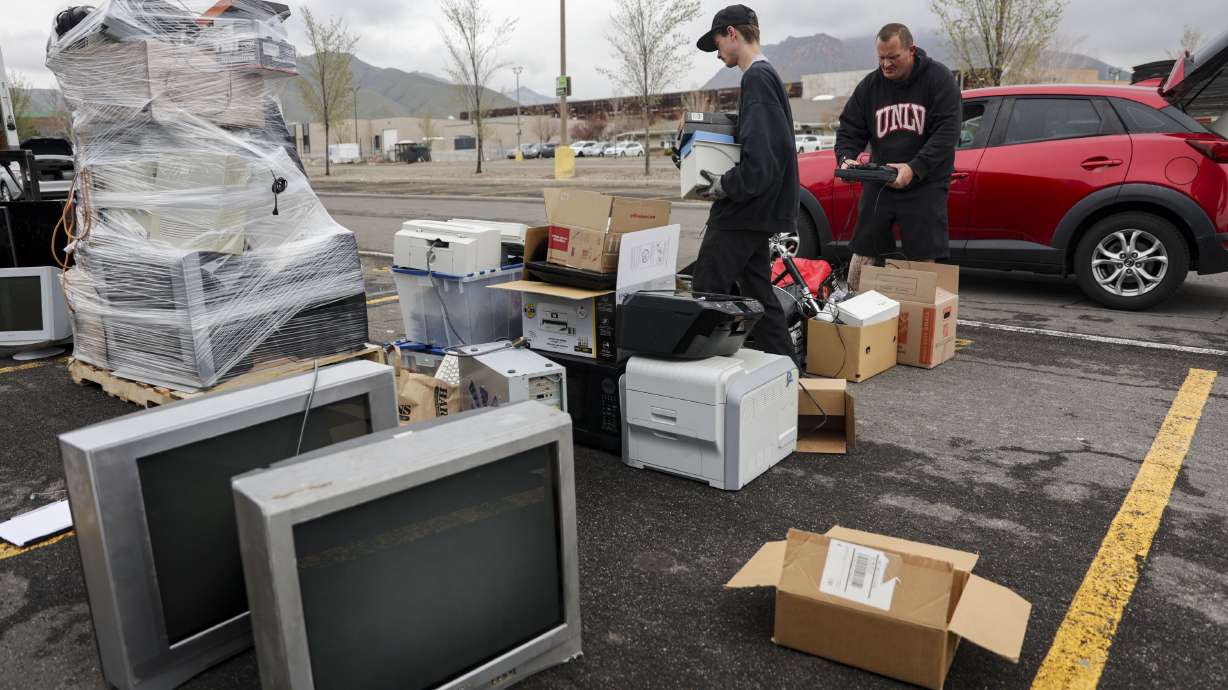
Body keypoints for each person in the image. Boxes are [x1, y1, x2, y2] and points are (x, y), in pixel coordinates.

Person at [692, 4, 796, 358]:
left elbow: (761, 161)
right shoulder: (766, 77)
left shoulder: (756, 78)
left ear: (733, 33)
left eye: (718, 41)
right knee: (759, 298)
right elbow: (769, 143)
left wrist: (724, 185)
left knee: (707, 289)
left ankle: (698, 374)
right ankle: (787, 374)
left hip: (743, 211)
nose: (718, 52)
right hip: (760, 211)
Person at [835, 23, 960, 291]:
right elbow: (849, 129)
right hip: (881, 180)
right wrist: (846, 160)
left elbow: (946, 134)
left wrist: (914, 168)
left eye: (893, 57)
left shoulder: (938, 79)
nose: (886, 65)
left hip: (924, 182)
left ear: (911, 50)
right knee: (865, 246)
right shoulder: (870, 86)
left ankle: (924, 316)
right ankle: (860, 309)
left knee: (923, 253)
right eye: (881, 58)